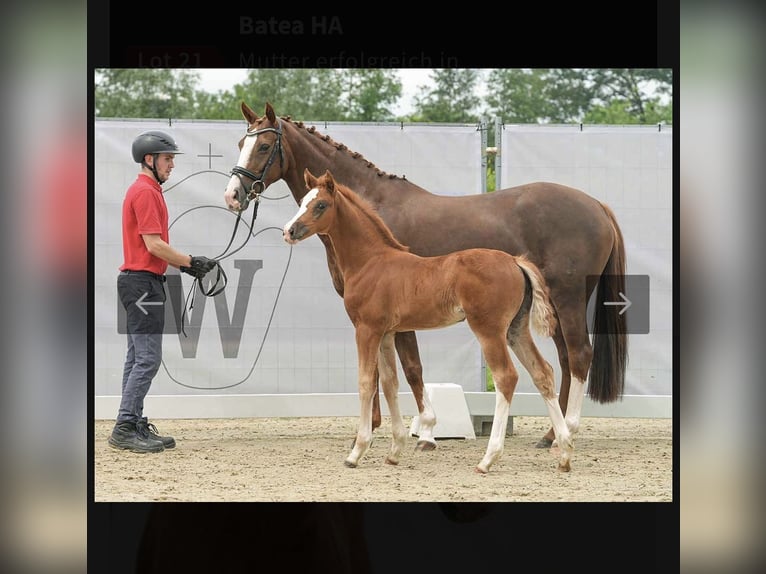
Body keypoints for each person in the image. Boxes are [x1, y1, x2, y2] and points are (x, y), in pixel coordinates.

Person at [109, 131, 217, 453]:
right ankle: (126, 426)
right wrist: (189, 263)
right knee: (148, 358)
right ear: (149, 159)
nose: (172, 165)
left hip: (142, 282)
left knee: (136, 357)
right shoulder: (145, 192)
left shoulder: (149, 190)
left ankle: (132, 422)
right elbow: (153, 245)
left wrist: (187, 264)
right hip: (142, 283)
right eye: (168, 159)